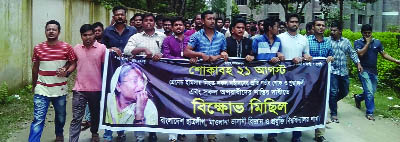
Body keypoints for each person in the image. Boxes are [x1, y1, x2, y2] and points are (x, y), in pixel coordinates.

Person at [184, 10, 228, 142]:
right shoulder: (196, 36)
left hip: (216, 77)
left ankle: (211, 136)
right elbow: (186, 51)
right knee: (199, 104)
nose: (212, 21)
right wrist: (199, 55)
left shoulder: (221, 36)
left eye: (213, 19)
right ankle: (199, 132)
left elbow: (224, 52)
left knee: (213, 105)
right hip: (199, 76)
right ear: (202, 21)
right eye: (209, 19)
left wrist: (220, 55)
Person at [29, 20, 77, 142]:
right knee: (38, 119)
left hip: (60, 89)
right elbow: (35, 68)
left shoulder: (66, 47)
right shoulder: (38, 48)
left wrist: (66, 72)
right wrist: (34, 85)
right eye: (48, 29)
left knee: (61, 117)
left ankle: (59, 135)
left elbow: (73, 63)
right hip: (42, 88)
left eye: (54, 29)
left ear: (58, 32)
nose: (51, 31)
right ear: (45, 31)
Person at [124, 13, 166, 142]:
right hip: (140, 78)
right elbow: (126, 50)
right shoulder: (135, 37)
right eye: (146, 20)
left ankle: (153, 132)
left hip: (157, 77)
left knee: (156, 104)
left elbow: (167, 52)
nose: (148, 22)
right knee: (139, 105)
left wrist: (160, 54)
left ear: (154, 22)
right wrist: (142, 49)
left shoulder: (162, 36)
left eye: (151, 20)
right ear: (142, 23)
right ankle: (139, 136)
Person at [102, 5, 136, 142]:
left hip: (129, 72)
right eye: (117, 15)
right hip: (111, 70)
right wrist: (110, 49)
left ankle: (121, 130)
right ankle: (108, 132)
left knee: (125, 100)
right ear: (113, 17)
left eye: (122, 14)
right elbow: (102, 48)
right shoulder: (107, 31)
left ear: (125, 16)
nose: (120, 17)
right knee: (110, 99)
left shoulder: (133, 31)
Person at [69, 24, 107, 142]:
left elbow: (106, 66)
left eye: (90, 34)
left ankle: (94, 132)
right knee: (76, 117)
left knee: (95, 115)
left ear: (94, 35)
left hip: (96, 89)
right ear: (81, 36)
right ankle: (73, 140)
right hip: (79, 89)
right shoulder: (76, 48)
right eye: (85, 35)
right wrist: (66, 72)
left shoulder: (102, 48)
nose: (88, 37)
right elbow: (73, 63)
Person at [354, 24, 400, 121]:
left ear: (371, 32)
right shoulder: (358, 42)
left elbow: (384, 54)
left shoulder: (377, 42)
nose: (367, 35)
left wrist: (396, 60)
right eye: (365, 33)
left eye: (369, 33)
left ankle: (358, 97)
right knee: (369, 91)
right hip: (363, 70)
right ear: (361, 33)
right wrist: (367, 43)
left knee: (372, 91)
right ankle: (370, 112)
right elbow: (361, 53)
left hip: (373, 71)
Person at [277, 13, 311, 142]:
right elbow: (274, 52)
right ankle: (273, 133)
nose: (294, 24)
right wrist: (278, 54)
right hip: (280, 77)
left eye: (296, 22)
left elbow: (307, 56)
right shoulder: (279, 38)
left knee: (297, 105)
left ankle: (296, 135)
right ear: (287, 24)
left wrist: (303, 57)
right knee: (279, 104)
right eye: (292, 22)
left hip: (298, 78)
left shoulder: (304, 39)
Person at [251, 18, 284, 142]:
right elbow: (252, 57)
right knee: (258, 105)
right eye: (276, 26)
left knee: (272, 105)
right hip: (259, 79)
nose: (278, 29)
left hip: (274, 78)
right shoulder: (257, 40)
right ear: (270, 28)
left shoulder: (278, 40)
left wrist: (279, 56)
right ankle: (258, 131)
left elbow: (279, 54)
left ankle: (271, 134)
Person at [161, 17, 190, 142]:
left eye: (181, 25)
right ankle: (172, 136)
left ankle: (182, 131)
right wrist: (183, 61)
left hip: (188, 77)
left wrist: (193, 58)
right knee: (172, 106)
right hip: (172, 78)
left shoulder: (190, 40)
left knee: (186, 105)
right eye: (176, 25)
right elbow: (166, 56)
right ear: (172, 28)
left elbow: (194, 53)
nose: (178, 27)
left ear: (184, 27)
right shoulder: (167, 40)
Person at [225, 18, 253, 142]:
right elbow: (222, 53)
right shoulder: (226, 41)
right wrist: (223, 53)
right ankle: (227, 127)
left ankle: (243, 135)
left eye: (243, 28)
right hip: (228, 78)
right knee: (228, 103)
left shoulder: (249, 41)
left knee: (244, 105)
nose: (241, 30)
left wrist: (252, 56)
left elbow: (254, 55)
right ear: (232, 30)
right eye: (238, 27)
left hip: (245, 79)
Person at [329, 21, 363, 123]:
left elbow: (352, 53)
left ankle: (332, 102)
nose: (332, 32)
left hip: (343, 72)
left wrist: (358, 64)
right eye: (331, 30)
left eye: (334, 30)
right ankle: (334, 113)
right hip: (332, 71)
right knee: (334, 92)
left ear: (340, 31)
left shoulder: (346, 41)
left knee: (345, 91)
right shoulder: (328, 41)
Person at [307, 18, 333, 142]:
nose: (321, 27)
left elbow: (331, 55)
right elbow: (302, 55)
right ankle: (297, 130)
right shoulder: (306, 41)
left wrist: (330, 58)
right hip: (308, 79)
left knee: (322, 104)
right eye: (318, 25)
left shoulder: (328, 42)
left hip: (322, 79)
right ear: (313, 27)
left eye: (323, 25)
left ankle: (319, 134)